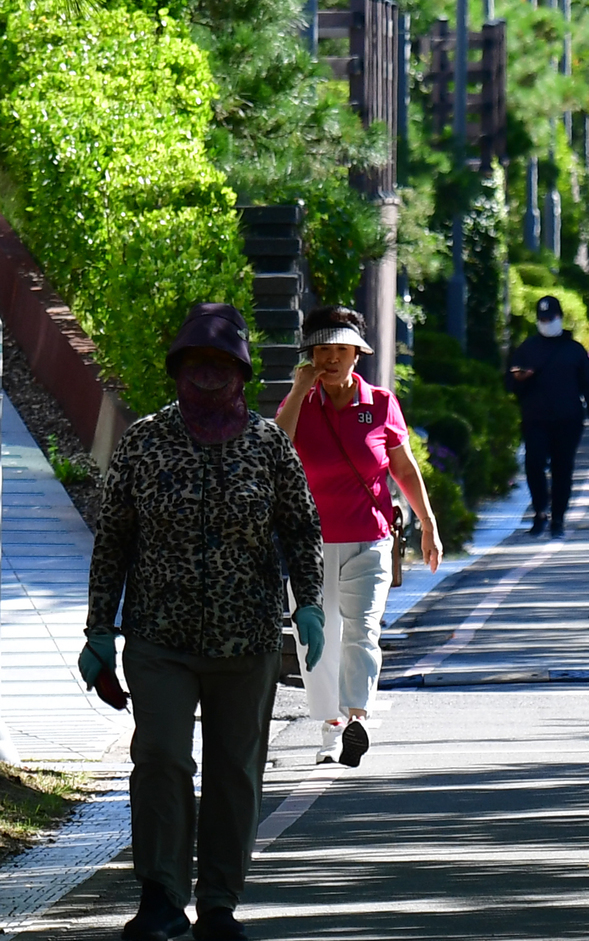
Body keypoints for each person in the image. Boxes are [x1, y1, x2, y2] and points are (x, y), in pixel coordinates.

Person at [82, 303, 323, 941]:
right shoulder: (145, 442)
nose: (209, 379)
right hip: (160, 637)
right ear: (176, 373)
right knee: (161, 757)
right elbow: (113, 541)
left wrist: (311, 604)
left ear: (242, 374)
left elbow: (300, 528)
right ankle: (161, 896)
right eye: (196, 366)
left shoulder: (268, 444)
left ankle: (219, 902)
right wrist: (99, 632)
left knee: (234, 770)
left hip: (246, 640)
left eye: (221, 366)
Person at [275, 303, 442, 767]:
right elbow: (275, 450)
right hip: (309, 544)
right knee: (316, 636)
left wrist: (427, 523)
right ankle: (330, 727)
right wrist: (297, 390)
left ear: (357, 354)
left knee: (362, 630)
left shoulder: (382, 404)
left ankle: (355, 719)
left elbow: (403, 468)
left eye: (341, 350)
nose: (331, 359)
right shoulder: (299, 403)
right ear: (310, 354)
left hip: (370, 538)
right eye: (322, 350)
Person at [507, 294, 589, 536]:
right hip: (535, 419)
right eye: (542, 319)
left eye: (550, 318)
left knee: (563, 468)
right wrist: (521, 378)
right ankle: (540, 511)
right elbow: (510, 382)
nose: (546, 322)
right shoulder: (527, 349)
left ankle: (558, 517)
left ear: (559, 318)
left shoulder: (574, 351)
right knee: (534, 464)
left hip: (567, 420)